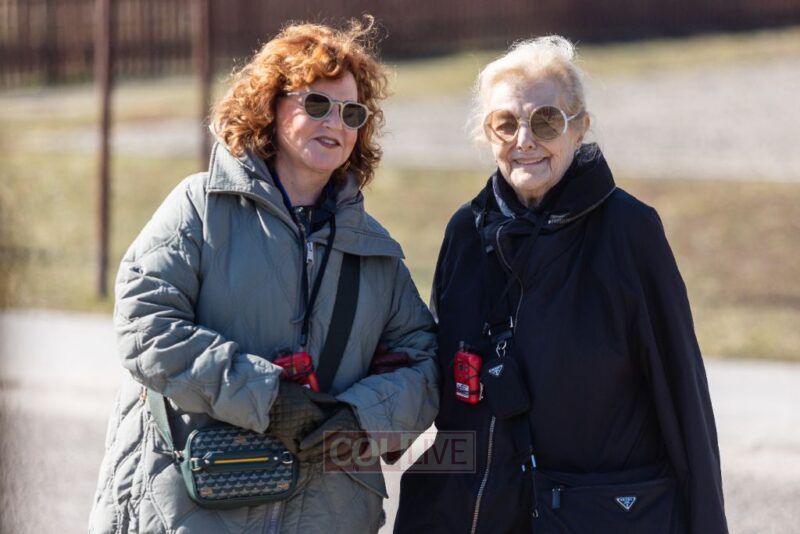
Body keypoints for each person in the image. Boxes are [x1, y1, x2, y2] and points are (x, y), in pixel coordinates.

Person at [89, 17, 438, 534]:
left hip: (325, 515)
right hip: (190, 507)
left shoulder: (375, 251)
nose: (335, 122)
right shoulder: (199, 207)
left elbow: (424, 365)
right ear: (270, 106)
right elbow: (145, 326)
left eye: (352, 113)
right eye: (316, 104)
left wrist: (358, 417)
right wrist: (266, 397)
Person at [395, 36, 728, 533]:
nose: (524, 140)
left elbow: (682, 396)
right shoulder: (466, 232)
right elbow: (453, 399)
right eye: (505, 123)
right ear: (487, 134)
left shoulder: (630, 231)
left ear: (579, 128)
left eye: (545, 121)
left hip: (595, 518)